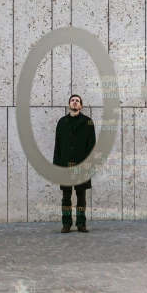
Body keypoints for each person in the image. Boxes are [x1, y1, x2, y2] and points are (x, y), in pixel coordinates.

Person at [53, 94, 96, 233]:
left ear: (81, 106)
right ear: (69, 105)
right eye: (72, 100)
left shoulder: (88, 122)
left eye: (77, 101)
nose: (75, 102)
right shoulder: (61, 122)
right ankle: (66, 224)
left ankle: (81, 223)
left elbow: (92, 145)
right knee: (66, 196)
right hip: (65, 164)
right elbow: (57, 146)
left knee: (81, 196)